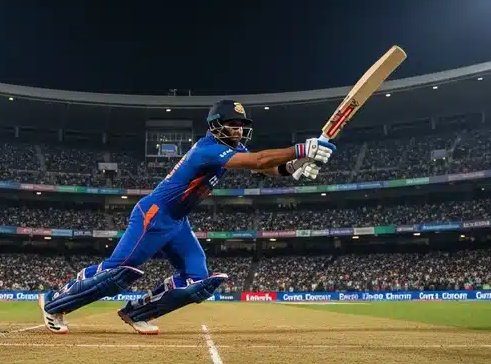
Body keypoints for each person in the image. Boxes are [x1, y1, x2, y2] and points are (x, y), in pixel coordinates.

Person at [38, 99, 334, 334]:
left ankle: (137, 313)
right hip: (154, 215)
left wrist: (292, 167)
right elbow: (258, 160)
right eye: (232, 125)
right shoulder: (207, 150)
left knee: (197, 279)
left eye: (242, 126)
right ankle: (53, 303)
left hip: (178, 223)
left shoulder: (231, 148)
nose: (239, 131)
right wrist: (301, 148)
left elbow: (265, 167)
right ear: (216, 126)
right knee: (115, 272)